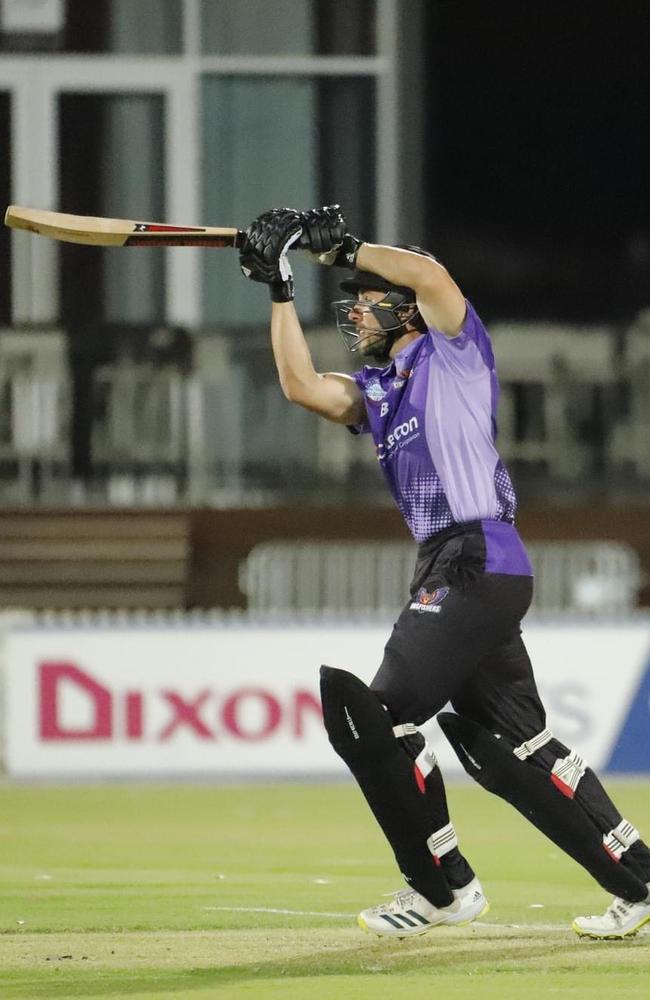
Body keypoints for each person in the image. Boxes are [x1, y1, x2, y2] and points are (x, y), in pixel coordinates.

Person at [238, 205, 650, 940]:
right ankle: (642, 880)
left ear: (407, 313)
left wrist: (350, 248)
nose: (356, 314)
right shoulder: (378, 392)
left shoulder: (453, 351)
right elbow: (301, 385)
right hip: (458, 564)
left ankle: (442, 887)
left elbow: (430, 273)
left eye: (368, 302)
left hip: (475, 556)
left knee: (376, 716)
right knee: (515, 750)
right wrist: (277, 286)